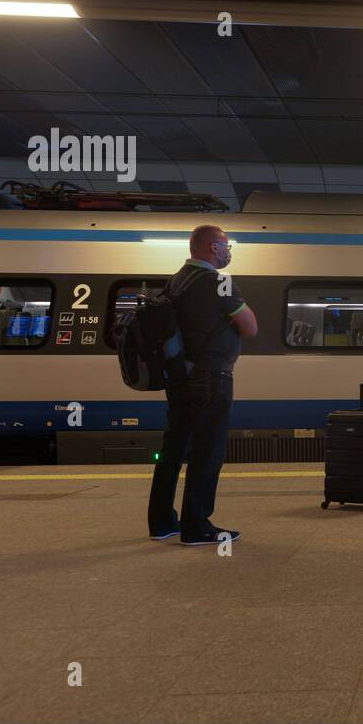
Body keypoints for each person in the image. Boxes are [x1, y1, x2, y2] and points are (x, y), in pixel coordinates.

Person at [147, 224, 258, 545]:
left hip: (180, 377)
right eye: (227, 246)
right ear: (212, 248)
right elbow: (250, 327)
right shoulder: (218, 282)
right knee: (207, 451)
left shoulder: (176, 280)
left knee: (173, 449)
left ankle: (162, 522)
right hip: (211, 377)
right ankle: (197, 526)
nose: (229, 252)